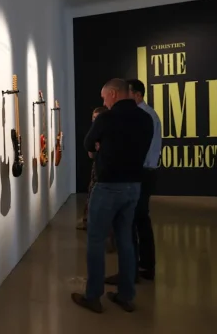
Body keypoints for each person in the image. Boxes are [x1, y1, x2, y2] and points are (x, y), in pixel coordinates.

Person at [71, 78, 153, 314]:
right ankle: (126, 295)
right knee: (125, 240)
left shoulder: (106, 118)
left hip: (108, 186)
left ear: (114, 94)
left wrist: (101, 145)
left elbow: (88, 143)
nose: (104, 101)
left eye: (104, 96)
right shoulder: (145, 118)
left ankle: (93, 296)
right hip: (133, 187)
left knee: (96, 240)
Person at [104, 79, 162, 285]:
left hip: (141, 172)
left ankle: (132, 271)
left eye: (127, 94)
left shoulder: (143, 116)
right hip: (145, 171)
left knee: (131, 221)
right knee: (140, 220)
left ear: (136, 95)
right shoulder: (148, 115)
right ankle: (143, 266)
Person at [76, 106, 107, 231]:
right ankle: (88, 220)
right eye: (93, 118)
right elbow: (91, 153)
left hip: (105, 168)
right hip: (98, 167)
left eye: (97, 118)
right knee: (92, 193)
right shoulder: (95, 132)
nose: (95, 121)